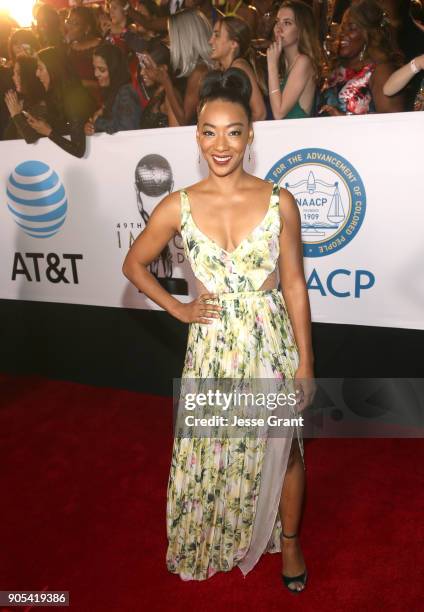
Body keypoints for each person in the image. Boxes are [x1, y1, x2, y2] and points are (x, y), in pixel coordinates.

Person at [122, 67, 314, 590]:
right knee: (216, 444)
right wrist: (181, 309)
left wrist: (306, 362)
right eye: (210, 131)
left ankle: (289, 543)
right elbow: (134, 265)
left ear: (250, 136)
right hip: (211, 349)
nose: (221, 144)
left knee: (285, 445)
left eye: (233, 131)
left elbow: (294, 286)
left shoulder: (280, 201)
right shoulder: (177, 206)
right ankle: (220, 531)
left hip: (270, 341)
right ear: (197, 136)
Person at [318, 0, 405, 115]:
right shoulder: (336, 68)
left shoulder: (380, 71)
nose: (343, 33)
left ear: (368, 34)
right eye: (342, 28)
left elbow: (393, 123)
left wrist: (343, 120)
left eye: (352, 28)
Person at [24, 46, 96, 158]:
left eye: (40, 68)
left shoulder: (73, 98)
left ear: (53, 70)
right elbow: (31, 138)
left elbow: (79, 150)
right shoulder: (54, 96)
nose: (37, 74)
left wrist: (48, 131)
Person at [155, 9, 214, 125]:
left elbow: (184, 121)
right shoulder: (197, 68)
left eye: (171, 34)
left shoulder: (200, 72)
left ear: (183, 39)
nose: (168, 39)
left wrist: (166, 83)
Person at [267, 0, 322, 119]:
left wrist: (272, 66)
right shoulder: (285, 63)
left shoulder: (303, 62)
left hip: (298, 135)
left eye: (287, 23)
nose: (278, 28)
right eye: (277, 22)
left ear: (301, 30)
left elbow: (279, 113)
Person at [210, 16, 267, 120]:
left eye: (217, 35)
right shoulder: (226, 69)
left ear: (233, 43)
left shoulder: (239, 67)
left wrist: (234, 130)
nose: (210, 41)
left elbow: (260, 113)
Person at [85, 43, 142, 135]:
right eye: (94, 68)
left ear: (114, 69)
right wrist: (90, 127)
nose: (96, 74)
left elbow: (127, 129)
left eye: (102, 69)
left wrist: (98, 122)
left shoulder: (126, 92)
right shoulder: (111, 92)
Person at [3, 55, 47, 142]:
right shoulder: (22, 102)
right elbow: (7, 137)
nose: (13, 77)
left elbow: (32, 139)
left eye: (18, 73)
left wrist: (16, 115)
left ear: (29, 75)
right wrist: (14, 114)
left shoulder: (42, 104)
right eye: (14, 73)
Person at [138, 40, 180, 129]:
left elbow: (177, 134)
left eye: (147, 68)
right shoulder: (157, 92)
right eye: (141, 67)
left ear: (163, 68)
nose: (142, 73)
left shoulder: (170, 96)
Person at [65, 6, 102, 95]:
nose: (69, 27)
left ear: (87, 28)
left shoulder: (99, 46)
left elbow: (106, 81)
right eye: (69, 21)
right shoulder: (69, 46)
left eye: (75, 23)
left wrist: (81, 83)